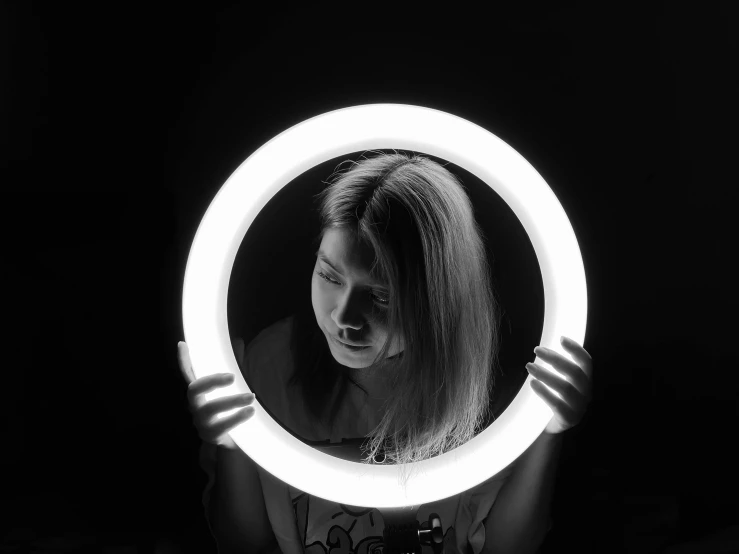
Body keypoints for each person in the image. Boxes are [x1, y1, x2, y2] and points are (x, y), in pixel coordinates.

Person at [178, 151, 594, 554]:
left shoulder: (498, 400)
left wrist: (545, 430)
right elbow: (241, 543)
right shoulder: (270, 365)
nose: (345, 317)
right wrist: (232, 444)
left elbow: (507, 546)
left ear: (441, 298)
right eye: (329, 275)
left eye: (381, 295)